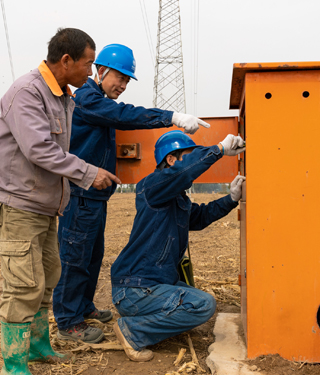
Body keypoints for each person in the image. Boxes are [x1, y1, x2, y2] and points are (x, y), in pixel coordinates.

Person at [52, 44, 211, 344]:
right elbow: (126, 115)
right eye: (120, 78)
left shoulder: (97, 100)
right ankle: (68, 321)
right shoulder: (87, 98)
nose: (123, 86)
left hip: (95, 198)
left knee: (91, 256)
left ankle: (83, 307)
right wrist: (171, 117)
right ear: (101, 71)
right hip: (80, 196)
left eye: (127, 80)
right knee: (75, 258)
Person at [0, 28, 121, 375]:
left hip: (46, 207)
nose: (91, 73)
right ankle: (13, 366)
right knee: (23, 285)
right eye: (89, 64)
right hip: (19, 206)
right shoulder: (27, 93)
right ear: (67, 61)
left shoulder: (63, 97)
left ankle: (36, 346)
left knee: (48, 277)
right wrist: (89, 173)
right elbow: (40, 150)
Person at [110, 130, 246, 361]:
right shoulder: (152, 186)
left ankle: (140, 322)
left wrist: (231, 199)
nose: (192, 162)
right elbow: (186, 171)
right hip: (136, 288)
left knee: (194, 298)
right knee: (203, 305)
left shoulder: (175, 198)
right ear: (171, 160)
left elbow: (200, 217)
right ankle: (133, 331)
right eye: (188, 155)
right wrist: (219, 149)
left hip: (149, 285)